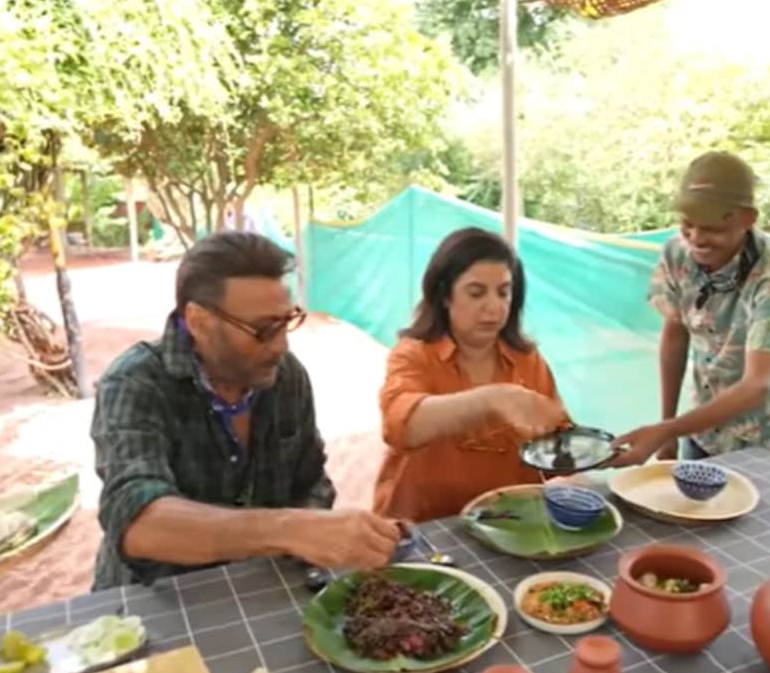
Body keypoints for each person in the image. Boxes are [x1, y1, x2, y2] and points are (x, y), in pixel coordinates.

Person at [90, 232, 402, 590]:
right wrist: (290, 530)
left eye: (286, 321)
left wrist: (318, 527)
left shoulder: (286, 376)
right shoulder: (135, 383)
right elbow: (138, 523)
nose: (280, 345)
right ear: (198, 321)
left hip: (261, 584)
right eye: (263, 329)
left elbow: (311, 480)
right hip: (153, 601)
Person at [610, 151, 770, 467]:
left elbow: (757, 385)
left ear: (747, 218)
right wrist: (669, 428)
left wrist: (666, 430)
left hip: (762, 434)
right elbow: (675, 333)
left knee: (745, 510)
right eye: (688, 225)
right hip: (701, 423)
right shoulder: (677, 253)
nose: (697, 239)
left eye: (712, 228)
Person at [374, 227, 568, 522]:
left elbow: (557, 442)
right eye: (476, 293)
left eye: (504, 292)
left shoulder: (528, 361)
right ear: (443, 295)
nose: (494, 308)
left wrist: (594, 458)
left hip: (510, 524)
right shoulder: (413, 354)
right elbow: (400, 426)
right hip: (426, 526)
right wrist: (493, 399)